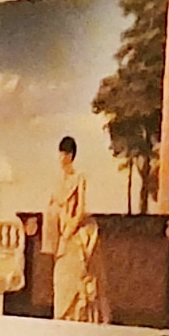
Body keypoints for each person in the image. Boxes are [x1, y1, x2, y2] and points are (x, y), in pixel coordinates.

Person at [48, 132, 109, 325]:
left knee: (77, 275)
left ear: (70, 156)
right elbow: (52, 207)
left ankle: (77, 317)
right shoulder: (57, 182)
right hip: (62, 234)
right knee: (61, 278)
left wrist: (70, 230)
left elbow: (81, 208)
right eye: (60, 154)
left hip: (77, 234)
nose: (61, 158)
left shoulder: (79, 178)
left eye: (64, 154)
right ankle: (62, 318)